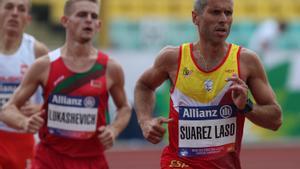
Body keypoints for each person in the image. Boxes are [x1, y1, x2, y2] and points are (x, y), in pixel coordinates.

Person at [134, 0, 283, 168]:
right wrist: (145, 120)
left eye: (228, 13)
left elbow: (276, 120)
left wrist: (245, 106)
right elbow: (144, 86)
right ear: (195, 17)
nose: (223, 19)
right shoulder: (173, 58)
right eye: (215, 12)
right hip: (178, 163)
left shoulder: (246, 61)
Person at [0, 0, 131, 168]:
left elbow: (125, 107)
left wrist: (114, 130)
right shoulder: (44, 65)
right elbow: (7, 109)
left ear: (99, 25)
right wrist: (24, 122)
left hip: (92, 160)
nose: (89, 20)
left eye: (94, 16)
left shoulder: (110, 68)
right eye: (82, 15)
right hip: (49, 159)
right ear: (65, 21)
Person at [0, 0, 48, 169]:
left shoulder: (37, 51)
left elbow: (59, 95)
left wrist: (41, 108)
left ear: (28, 18)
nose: (14, 13)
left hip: (23, 135)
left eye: (21, 9)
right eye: (8, 7)